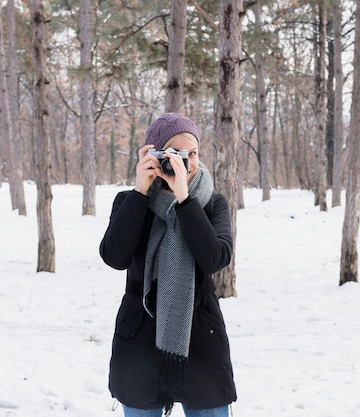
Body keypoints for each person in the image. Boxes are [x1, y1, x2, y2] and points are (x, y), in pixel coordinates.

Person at [99, 113, 237, 417]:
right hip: (139, 334)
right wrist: (139, 192)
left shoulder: (212, 203)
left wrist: (185, 200)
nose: (184, 162)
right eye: (174, 153)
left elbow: (216, 257)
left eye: (192, 153)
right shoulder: (130, 201)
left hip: (200, 334)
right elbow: (114, 257)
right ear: (155, 154)